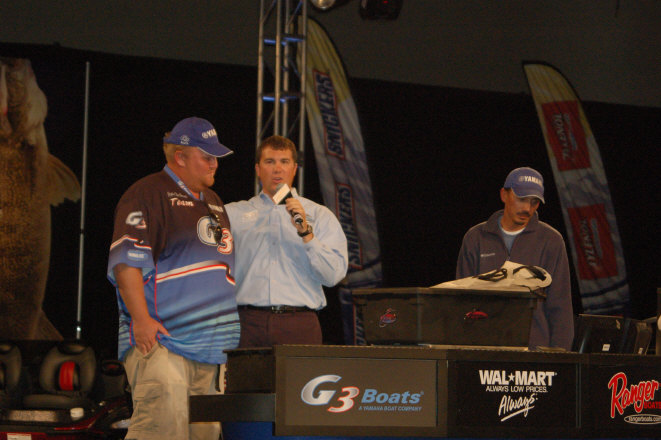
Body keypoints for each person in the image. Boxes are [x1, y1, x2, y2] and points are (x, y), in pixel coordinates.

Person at [107, 117, 239, 440]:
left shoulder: (214, 202)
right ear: (180, 157)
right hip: (164, 343)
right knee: (161, 432)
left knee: (204, 436)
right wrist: (141, 320)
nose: (214, 164)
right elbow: (126, 264)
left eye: (216, 157)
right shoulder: (146, 193)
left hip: (210, 352)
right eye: (206, 156)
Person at [225, 135, 348, 347]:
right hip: (247, 323)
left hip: (299, 324)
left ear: (294, 169)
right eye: (269, 161)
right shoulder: (233, 214)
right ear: (258, 169)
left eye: (284, 162)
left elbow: (333, 276)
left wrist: (307, 234)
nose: (277, 169)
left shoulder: (319, 215)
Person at [456, 166, 574, 350]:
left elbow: (561, 306)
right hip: (484, 351)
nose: (527, 208)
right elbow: (461, 302)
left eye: (534, 202)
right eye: (521, 199)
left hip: (535, 354)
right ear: (504, 195)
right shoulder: (476, 238)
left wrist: (560, 357)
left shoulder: (551, 241)